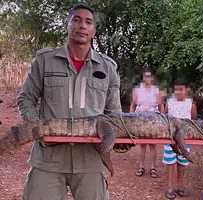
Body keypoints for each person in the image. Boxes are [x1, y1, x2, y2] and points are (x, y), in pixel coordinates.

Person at [17, 3, 121, 200]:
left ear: (94, 31)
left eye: (88, 22)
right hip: (48, 159)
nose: (82, 25)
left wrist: (119, 140)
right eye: (76, 19)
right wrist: (39, 129)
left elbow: (114, 116)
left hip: (90, 159)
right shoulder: (44, 60)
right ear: (67, 26)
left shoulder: (108, 67)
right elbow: (26, 98)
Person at [162, 78, 197, 199]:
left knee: (182, 161)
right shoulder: (170, 102)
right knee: (170, 162)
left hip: (185, 139)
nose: (178, 92)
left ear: (187, 90)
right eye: (176, 89)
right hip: (170, 139)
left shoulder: (191, 105)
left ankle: (180, 185)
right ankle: (169, 187)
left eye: (181, 89)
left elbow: (193, 121)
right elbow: (165, 118)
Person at [130, 68, 164, 178]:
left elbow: (161, 106)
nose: (147, 78)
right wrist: (131, 118)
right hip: (140, 119)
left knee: (153, 144)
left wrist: (163, 120)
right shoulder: (137, 90)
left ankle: (153, 167)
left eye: (149, 76)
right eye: (146, 76)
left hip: (153, 119)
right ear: (143, 77)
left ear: (152, 78)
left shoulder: (157, 91)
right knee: (142, 145)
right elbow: (133, 105)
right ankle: (141, 166)